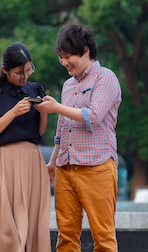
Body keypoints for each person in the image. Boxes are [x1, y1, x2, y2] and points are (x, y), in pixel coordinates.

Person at [35, 23, 121, 252]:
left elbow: (93, 115)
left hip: (97, 166)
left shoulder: (106, 77)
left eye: (67, 56)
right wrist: (53, 162)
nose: (63, 63)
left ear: (85, 50)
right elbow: (62, 130)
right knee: (66, 238)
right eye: (60, 57)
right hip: (66, 167)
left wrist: (56, 108)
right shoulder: (68, 85)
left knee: (103, 238)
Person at [0, 42, 51, 252]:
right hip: (6, 159)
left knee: (35, 222)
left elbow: (40, 132)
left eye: (28, 70)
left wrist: (45, 109)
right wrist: (13, 112)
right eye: (19, 72)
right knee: (9, 225)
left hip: (33, 158)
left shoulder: (34, 88)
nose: (24, 76)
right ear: (5, 70)